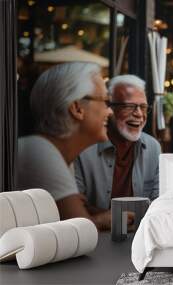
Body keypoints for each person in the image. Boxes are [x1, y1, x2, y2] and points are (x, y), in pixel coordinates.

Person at [17, 62, 114, 230]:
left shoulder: (56, 154)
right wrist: (100, 220)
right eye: (105, 101)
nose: (110, 111)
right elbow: (80, 230)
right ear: (77, 108)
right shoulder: (39, 152)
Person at [74, 75, 161, 229]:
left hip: (141, 235)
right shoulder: (83, 148)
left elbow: (159, 203)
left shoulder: (153, 148)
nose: (139, 114)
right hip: (96, 237)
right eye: (129, 106)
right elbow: (74, 209)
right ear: (109, 108)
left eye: (143, 107)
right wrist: (102, 219)